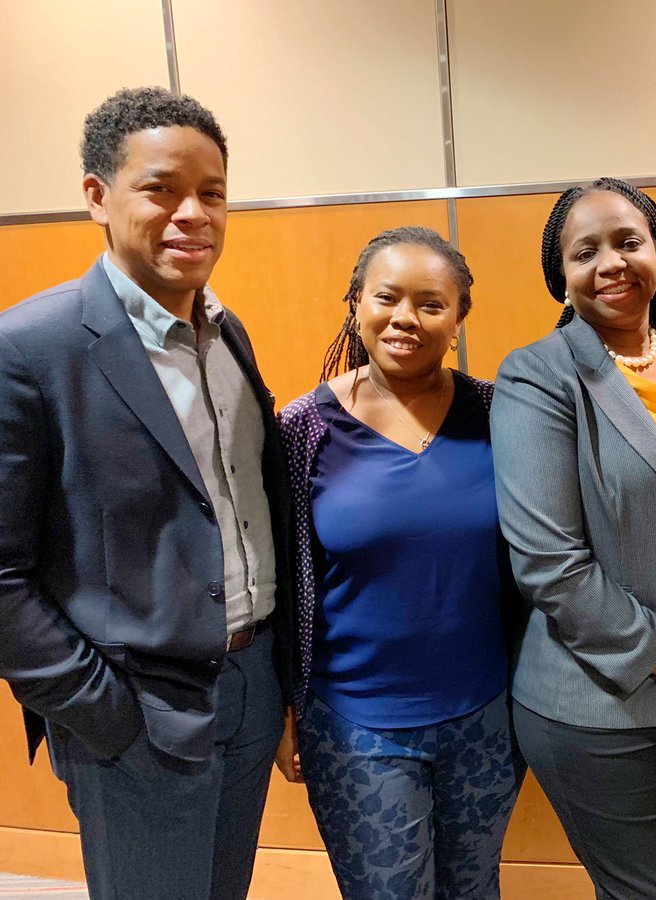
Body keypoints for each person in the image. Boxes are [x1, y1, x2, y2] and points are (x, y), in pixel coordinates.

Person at [0, 87, 292, 900]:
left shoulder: (227, 333)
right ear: (97, 196)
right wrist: (96, 707)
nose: (192, 214)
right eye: (162, 189)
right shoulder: (30, 348)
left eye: (212, 193)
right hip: (132, 707)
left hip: (251, 685)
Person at [491, 177, 656, 900]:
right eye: (585, 252)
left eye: (629, 242)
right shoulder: (538, 376)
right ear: (561, 276)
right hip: (603, 703)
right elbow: (551, 567)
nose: (611, 263)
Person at [276, 226, 522, 900]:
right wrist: (283, 708)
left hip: (486, 715)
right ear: (356, 304)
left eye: (431, 303)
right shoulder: (305, 428)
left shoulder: (499, 414)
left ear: (459, 317)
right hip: (357, 726)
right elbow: (282, 583)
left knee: (474, 890)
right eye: (386, 297)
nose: (405, 318)